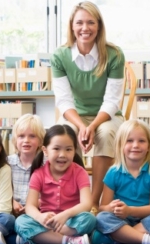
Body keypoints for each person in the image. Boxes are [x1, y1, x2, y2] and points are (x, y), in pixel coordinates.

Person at [50, 1, 125, 214]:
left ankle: (93, 201)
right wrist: (81, 126)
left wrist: (91, 126)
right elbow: (64, 101)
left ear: (99, 26)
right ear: (72, 26)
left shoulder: (114, 54)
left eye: (91, 22)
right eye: (80, 23)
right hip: (75, 114)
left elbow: (112, 101)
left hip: (107, 115)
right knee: (63, 137)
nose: (85, 28)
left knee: (106, 132)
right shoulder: (59, 56)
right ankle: (72, 197)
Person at [14, 124, 96, 244]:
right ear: (45, 151)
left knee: (90, 219)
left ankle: (39, 238)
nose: (62, 154)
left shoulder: (80, 173)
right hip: (46, 222)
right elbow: (30, 205)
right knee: (20, 222)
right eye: (56, 149)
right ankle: (69, 241)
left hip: (70, 221)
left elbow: (87, 204)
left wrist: (66, 214)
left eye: (68, 149)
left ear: (75, 150)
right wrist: (40, 217)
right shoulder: (38, 174)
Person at [8, 114, 46, 217]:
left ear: (40, 140)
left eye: (32, 136)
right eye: (21, 136)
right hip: (11, 212)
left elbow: (53, 194)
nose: (26, 140)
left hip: (38, 213)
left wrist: (38, 202)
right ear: (15, 140)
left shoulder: (47, 165)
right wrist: (11, 202)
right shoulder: (7, 164)